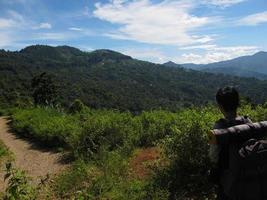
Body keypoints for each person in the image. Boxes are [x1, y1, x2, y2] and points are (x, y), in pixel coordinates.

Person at [208, 86, 252, 200]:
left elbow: (213, 156)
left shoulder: (219, 127)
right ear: (238, 103)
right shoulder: (247, 122)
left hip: (228, 180)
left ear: (220, 106)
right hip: (250, 174)